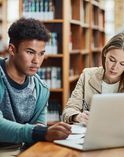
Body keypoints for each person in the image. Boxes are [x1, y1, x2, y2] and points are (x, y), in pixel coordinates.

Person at [0, 18, 71, 155]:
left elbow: (38, 128)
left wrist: (46, 132)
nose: (36, 61)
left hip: (24, 150)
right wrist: (40, 132)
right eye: (30, 52)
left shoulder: (41, 88)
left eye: (41, 53)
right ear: (12, 49)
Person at [63, 33, 124, 126]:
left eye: (122, 64)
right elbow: (67, 111)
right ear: (105, 53)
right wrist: (78, 117)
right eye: (112, 60)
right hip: (94, 134)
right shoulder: (87, 75)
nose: (115, 67)